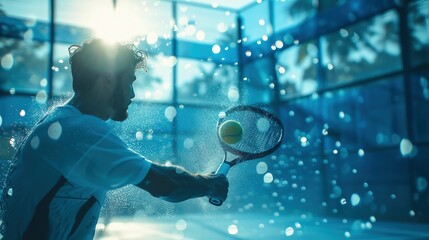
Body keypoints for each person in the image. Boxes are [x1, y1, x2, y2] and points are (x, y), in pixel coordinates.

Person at [0, 39, 229, 239]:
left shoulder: (62, 122)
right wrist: (210, 185)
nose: (132, 93)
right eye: (129, 81)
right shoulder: (78, 130)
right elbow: (166, 184)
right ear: (108, 79)